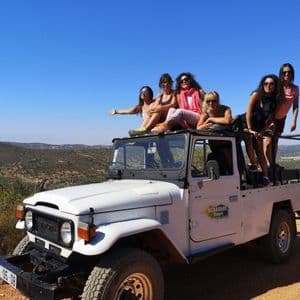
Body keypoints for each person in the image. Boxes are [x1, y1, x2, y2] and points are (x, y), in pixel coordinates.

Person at [245, 74, 280, 185]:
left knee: (260, 151)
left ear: (275, 86)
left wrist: (262, 131)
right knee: (248, 137)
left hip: (259, 127)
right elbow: (248, 113)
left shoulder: (274, 100)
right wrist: (250, 129)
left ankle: (265, 177)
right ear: (262, 84)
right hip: (246, 124)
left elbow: (270, 119)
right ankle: (253, 164)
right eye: (266, 83)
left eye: (271, 84)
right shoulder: (256, 94)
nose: (268, 86)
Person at [265, 63, 299, 165]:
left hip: (282, 118)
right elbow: (268, 102)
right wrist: (270, 119)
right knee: (268, 141)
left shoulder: (295, 89)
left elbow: (296, 106)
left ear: (292, 74)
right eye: (284, 72)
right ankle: (267, 164)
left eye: (289, 72)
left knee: (275, 141)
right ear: (281, 73)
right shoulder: (276, 86)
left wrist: (294, 121)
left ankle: (273, 164)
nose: (287, 74)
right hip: (270, 117)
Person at [197, 91, 233, 174]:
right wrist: (206, 125)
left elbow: (228, 120)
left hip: (227, 141)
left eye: (214, 101)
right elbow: (198, 128)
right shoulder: (205, 113)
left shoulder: (225, 109)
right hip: (214, 143)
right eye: (208, 101)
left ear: (218, 101)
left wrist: (211, 119)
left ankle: (233, 175)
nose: (211, 103)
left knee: (227, 154)